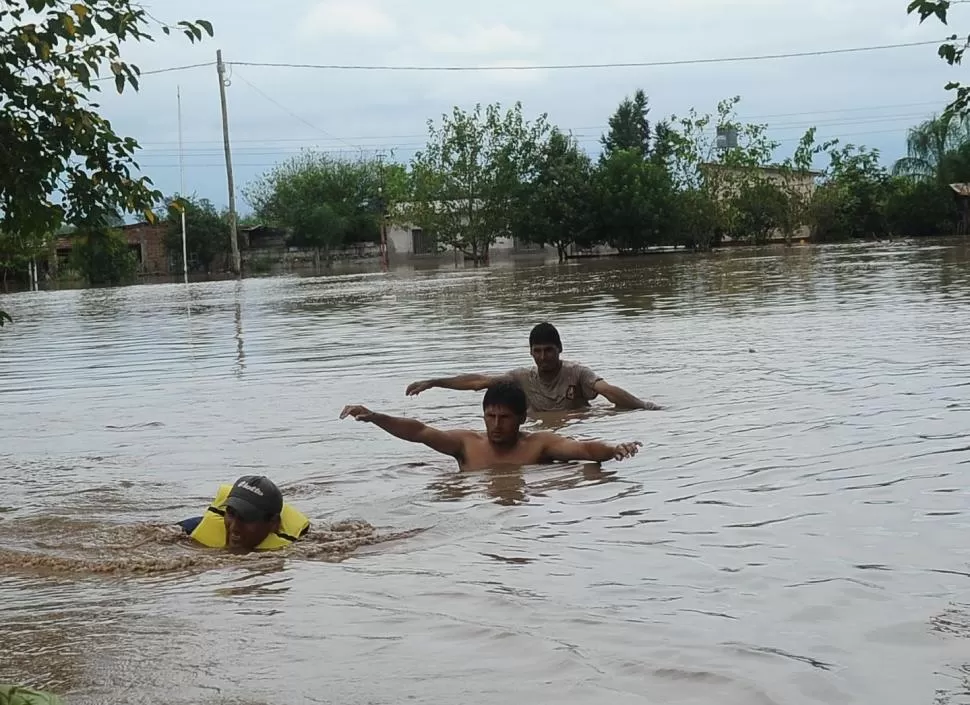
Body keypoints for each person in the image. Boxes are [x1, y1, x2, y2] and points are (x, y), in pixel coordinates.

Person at [342, 380, 642, 472]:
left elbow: (582, 448)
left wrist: (613, 448)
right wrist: (377, 417)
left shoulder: (539, 445)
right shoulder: (467, 445)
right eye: (491, 417)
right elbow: (420, 432)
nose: (496, 425)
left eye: (505, 418)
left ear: (522, 418)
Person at [405, 322, 659, 413]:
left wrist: (646, 407)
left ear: (560, 349)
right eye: (537, 351)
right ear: (530, 352)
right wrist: (434, 382)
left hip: (575, 425)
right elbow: (478, 382)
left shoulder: (577, 372)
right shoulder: (522, 377)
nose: (543, 356)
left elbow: (609, 391)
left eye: (549, 350)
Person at [177, 475, 310, 554]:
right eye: (231, 513)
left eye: (247, 518)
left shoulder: (302, 548)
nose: (234, 527)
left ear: (274, 523)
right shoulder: (189, 529)